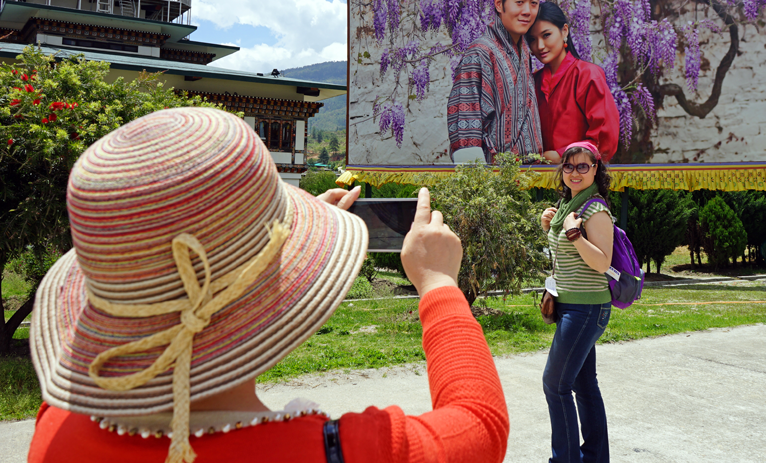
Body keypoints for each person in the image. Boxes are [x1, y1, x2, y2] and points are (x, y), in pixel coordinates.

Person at [27, 107, 509, 463]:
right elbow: (480, 427)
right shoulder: (341, 453)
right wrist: (440, 283)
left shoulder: (55, 429)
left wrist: (271, 239)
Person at [539, 140, 614, 463]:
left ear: (595, 169)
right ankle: (595, 458)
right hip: (572, 307)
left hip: (586, 309)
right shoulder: (569, 207)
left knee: (555, 385)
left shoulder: (595, 210)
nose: (575, 173)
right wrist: (551, 228)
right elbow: (566, 259)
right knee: (583, 386)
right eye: (569, 166)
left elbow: (601, 262)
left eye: (583, 166)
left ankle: (565, 459)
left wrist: (574, 235)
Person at [447, 0, 544, 163]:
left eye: (534, 3)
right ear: (499, 4)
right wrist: (479, 186)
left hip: (530, 175)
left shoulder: (524, 50)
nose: (527, 11)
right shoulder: (480, 53)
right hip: (496, 178)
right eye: (519, 2)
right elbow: (465, 126)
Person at [527, 2, 619, 164]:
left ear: (564, 31)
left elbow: (605, 138)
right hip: (540, 178)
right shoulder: (532, 81)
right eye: (532, 39)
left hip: (582, 177)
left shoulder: (587, 75)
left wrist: (564, 155)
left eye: (546, 35)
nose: (539, 46)